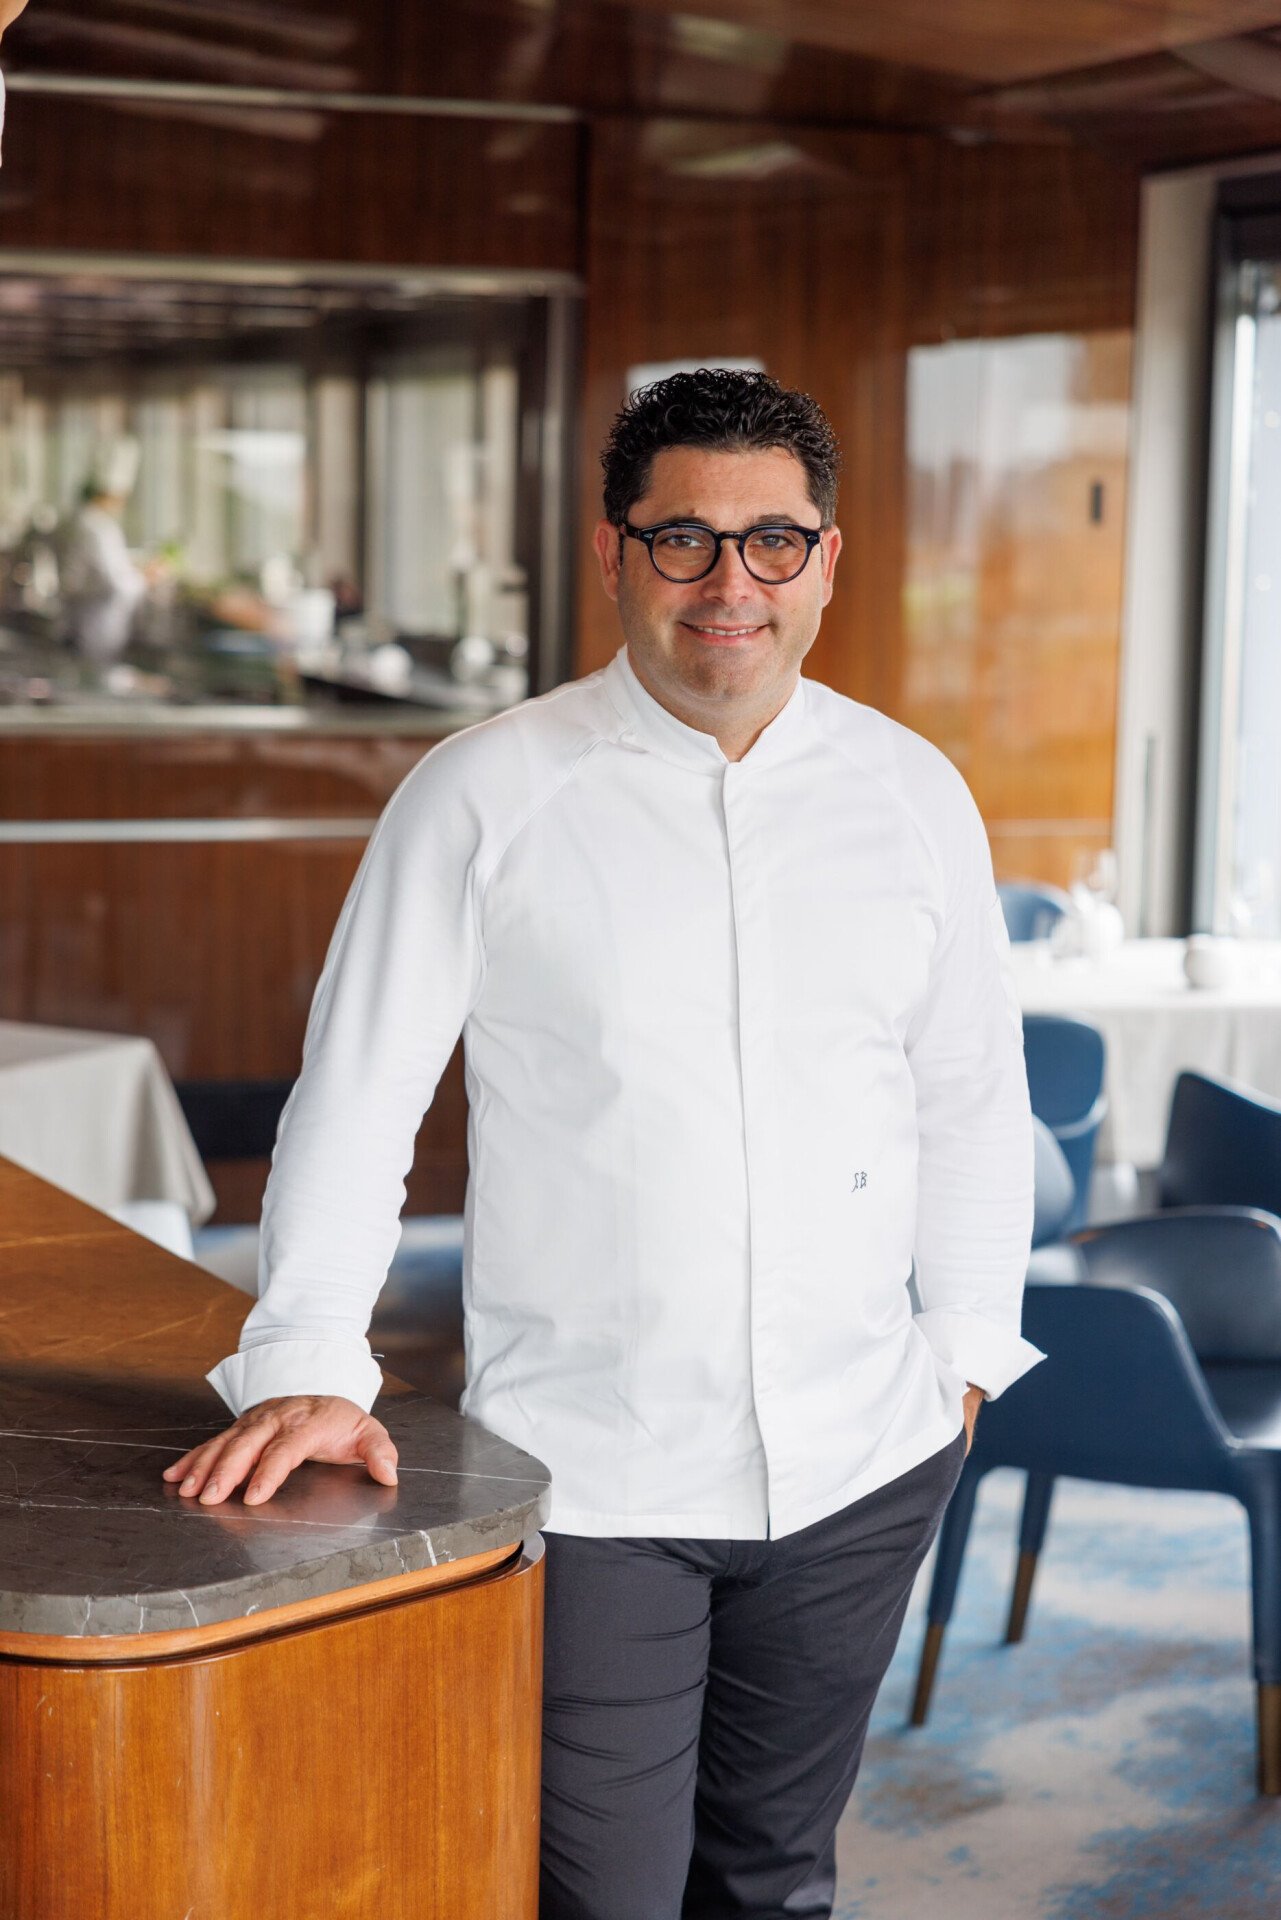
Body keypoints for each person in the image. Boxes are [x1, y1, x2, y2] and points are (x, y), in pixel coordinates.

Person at [168, 369, 1041, 1919]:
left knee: (774, 1879)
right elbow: (361, 1099)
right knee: (602, 1896)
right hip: (594, 1473)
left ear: (828, 560)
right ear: (612, 555)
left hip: (862, 1460)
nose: (731, 586)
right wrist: (309, 1355)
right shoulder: (484, 793)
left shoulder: (913, 795)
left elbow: (970, 1092)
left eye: (773, 542)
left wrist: (963, 1355)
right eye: (684, 540)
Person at [55, 435, 148, 663]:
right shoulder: (97, 528)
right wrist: (145, 577)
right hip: (96, 623)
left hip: (82, 620)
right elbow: (116, 583)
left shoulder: (80, 521)